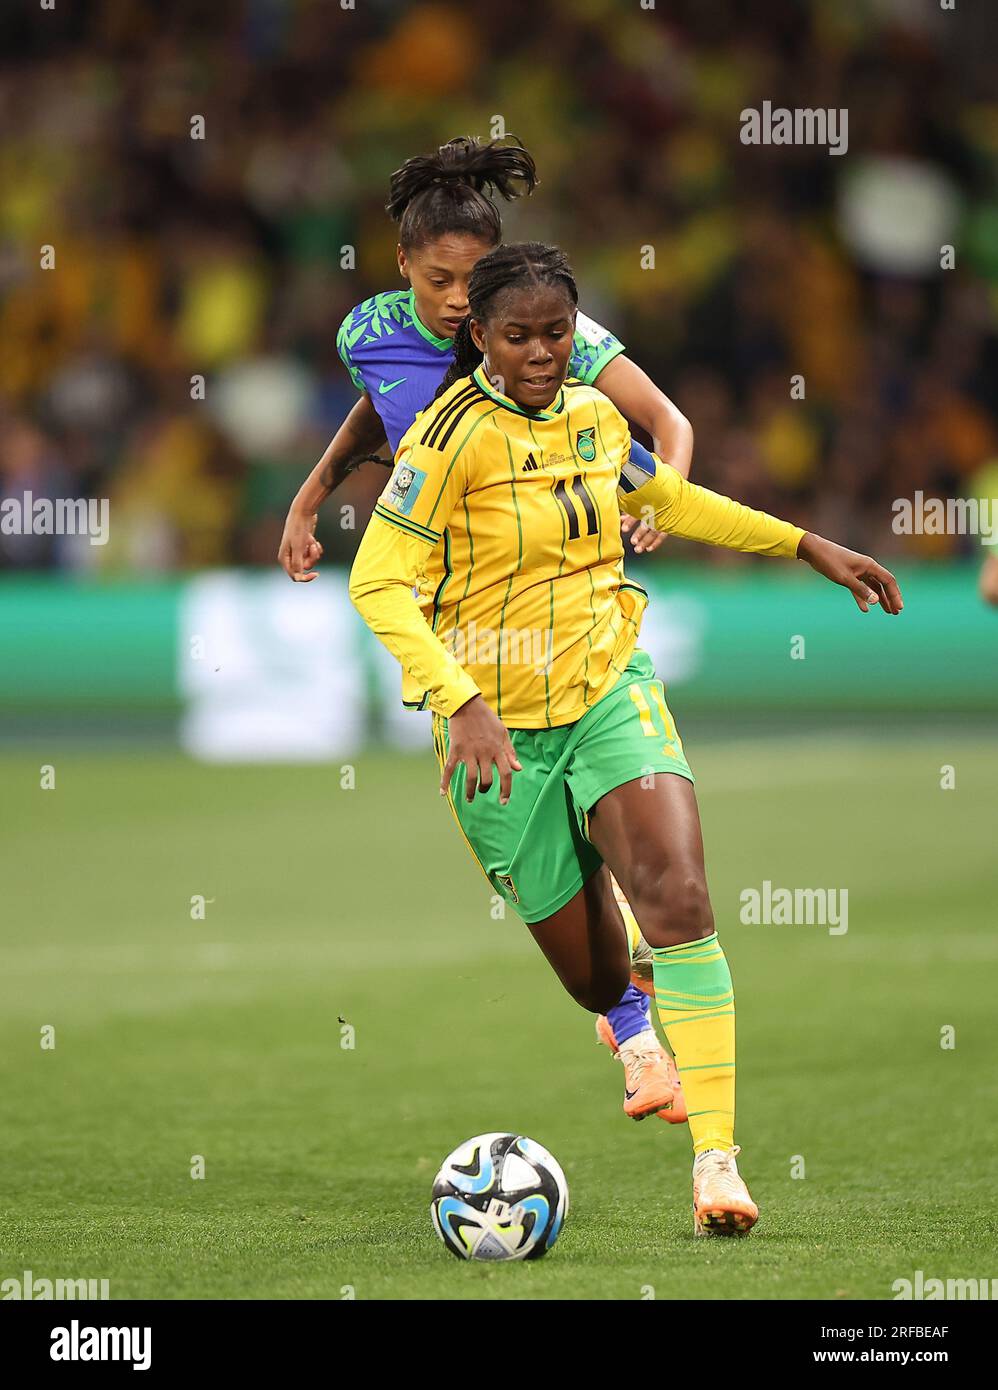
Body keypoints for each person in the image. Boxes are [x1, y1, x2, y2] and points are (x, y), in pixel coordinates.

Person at [347, 242, 903, 1235]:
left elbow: (666, 498)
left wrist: (804, 542)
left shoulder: (595, 418)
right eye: (515, 336)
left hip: (609, 684)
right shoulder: (444, 440)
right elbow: (377, 582)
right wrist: (458, 698)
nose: (539, 353)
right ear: (478, 336)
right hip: (495, 736)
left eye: (555, 333)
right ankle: (624, 1002)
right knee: (598, 976)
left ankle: (717, 1165)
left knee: (682, 899)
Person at [280, 137, 696, 1124]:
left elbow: (662, 424)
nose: (460, 301)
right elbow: (378, 412)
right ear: (400, 270)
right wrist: (308, 498)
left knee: (633, 826)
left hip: (564, 605)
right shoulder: (370, 331)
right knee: (572, 932)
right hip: (457, 636)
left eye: (476, 278)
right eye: (439, 281)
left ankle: (648, 1041)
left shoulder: (546, 334)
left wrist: (663, 498)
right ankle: (619, 1007)